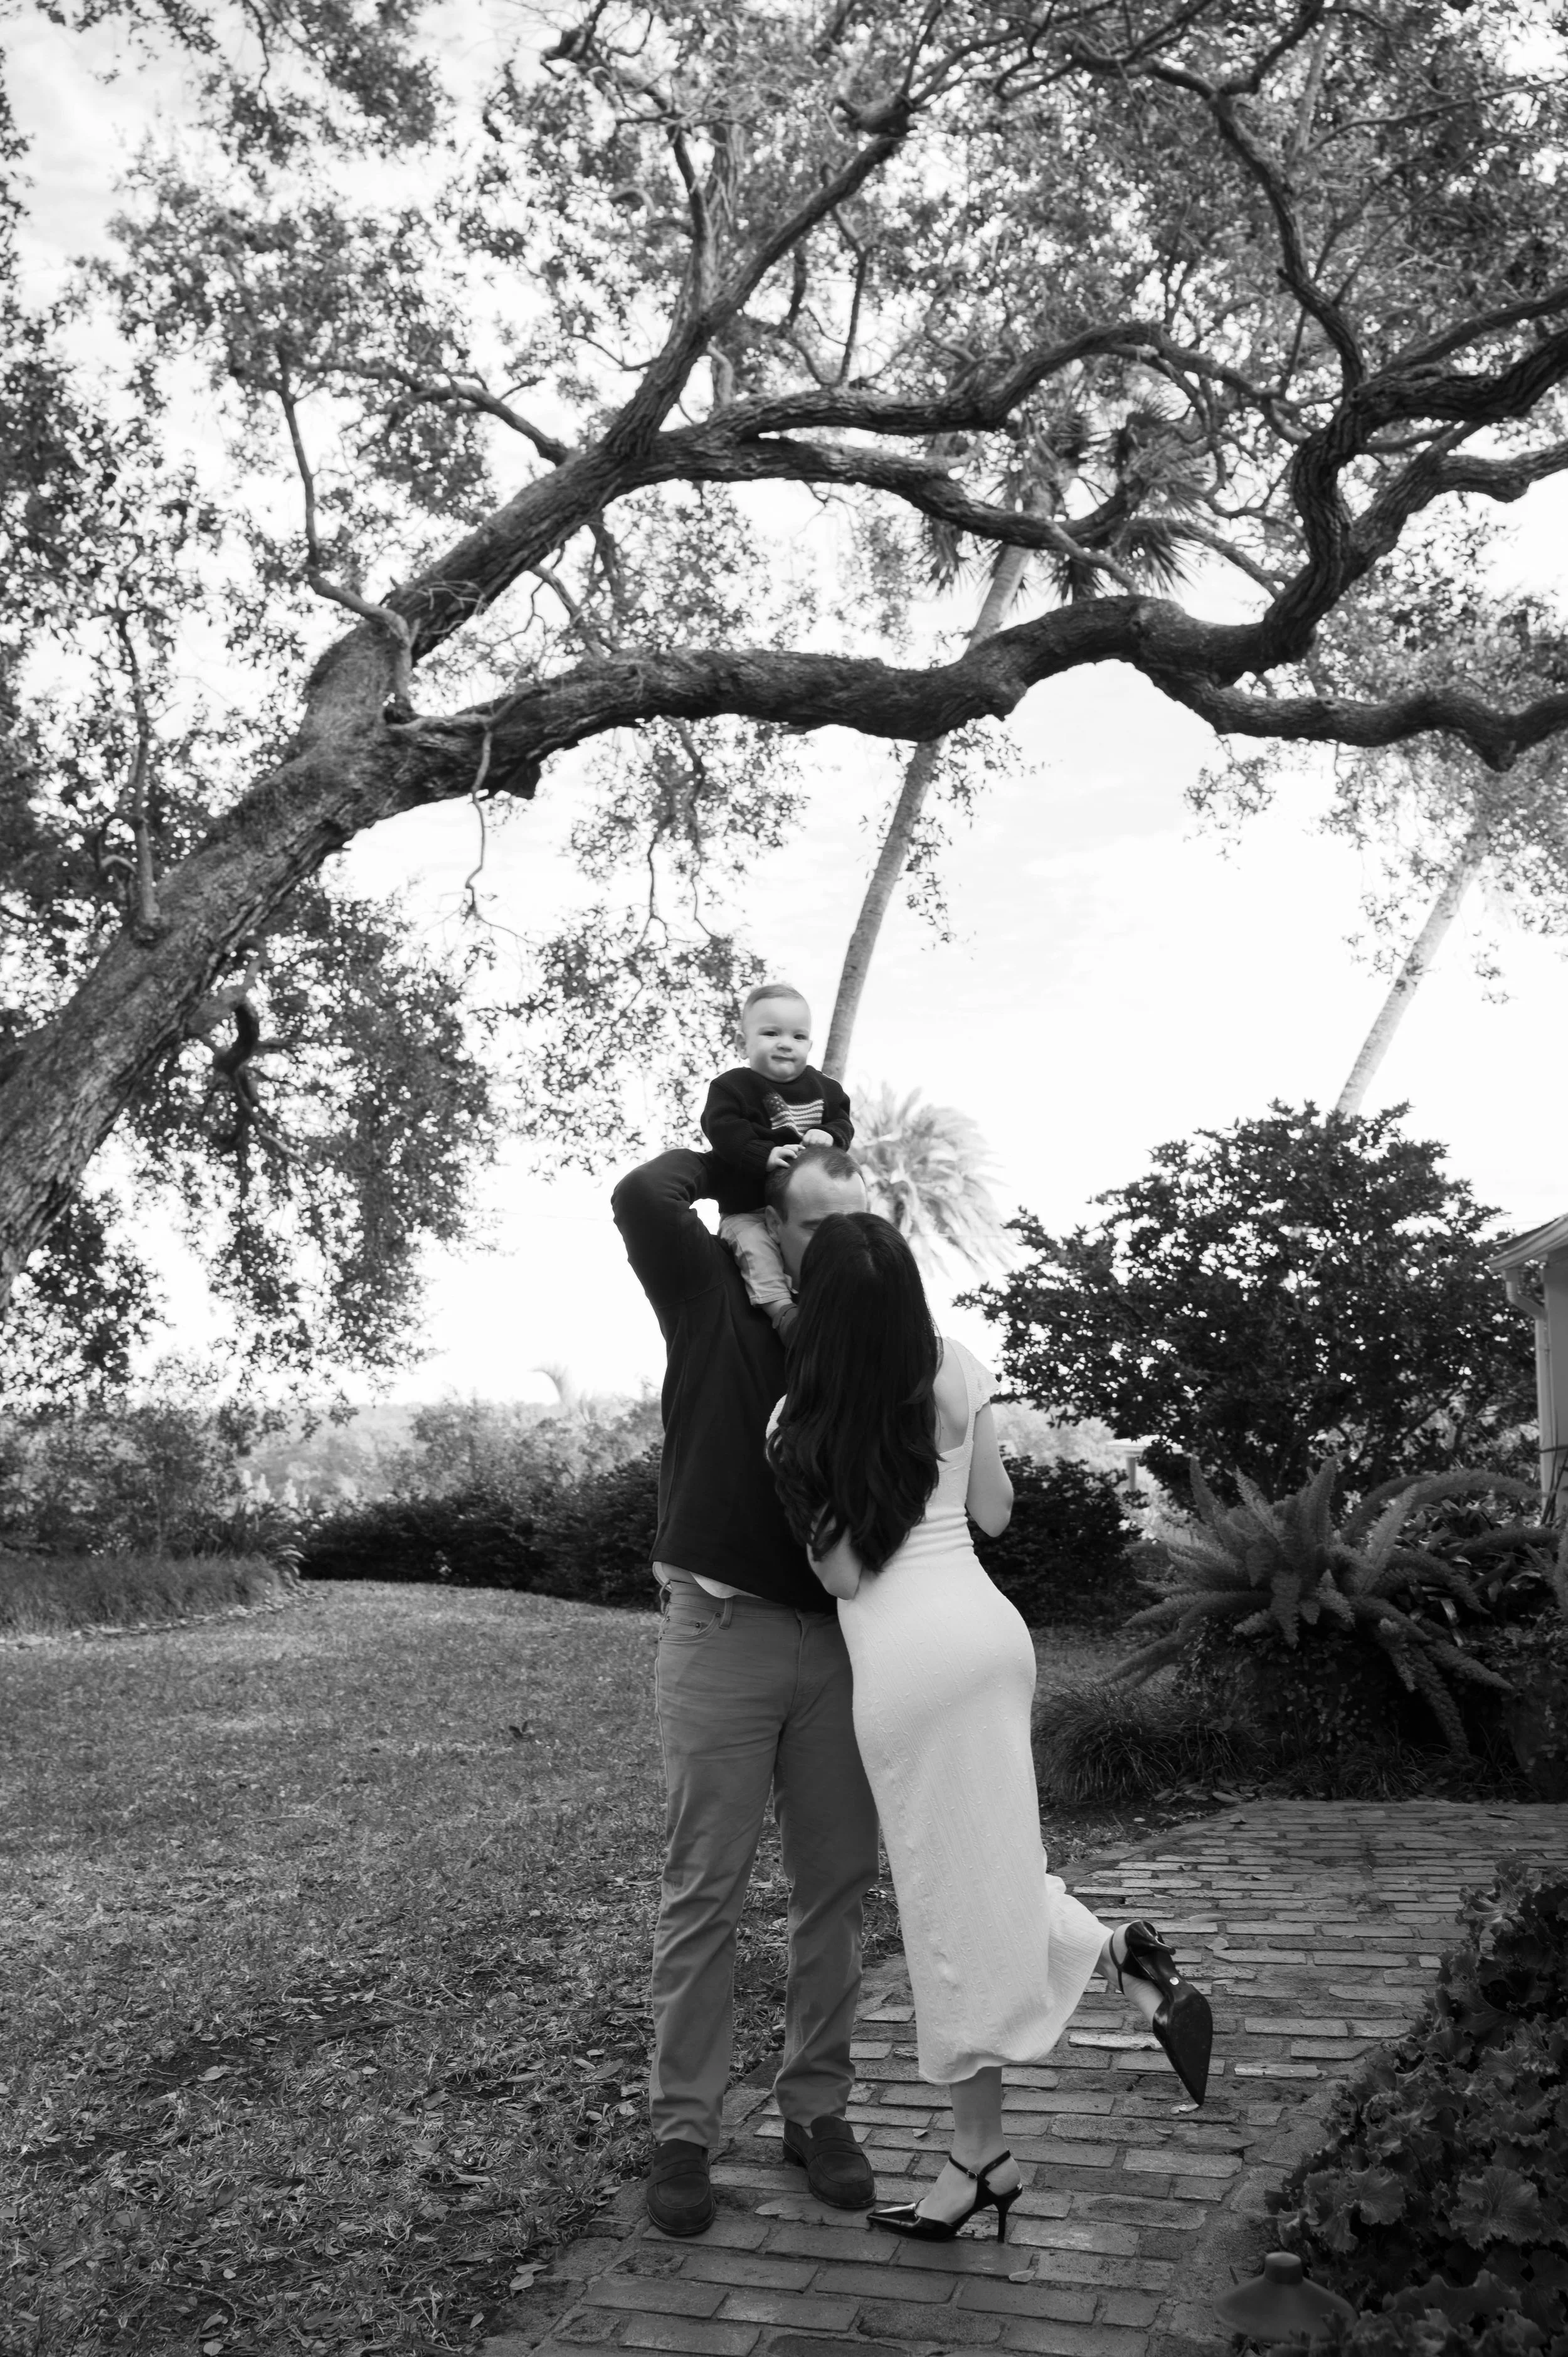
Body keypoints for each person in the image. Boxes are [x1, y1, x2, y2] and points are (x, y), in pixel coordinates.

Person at [768, 1214, 1214, 2243]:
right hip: (990, 1637)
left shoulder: (798, 1418)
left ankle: (976, 2156)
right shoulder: (959, 1369)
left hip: (909, 1666)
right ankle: (1117, 1964)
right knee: (995, 1871)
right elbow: (998, 1511)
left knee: (945, 1910)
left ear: (822, 1309)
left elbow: (840, 1573)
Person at [610, 1141, 880, 2239]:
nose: (841, 1238)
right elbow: (643, 1193)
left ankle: (816, 2110)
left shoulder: (867, 1330)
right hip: (721, 1632)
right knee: (704, 1890)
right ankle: (684, 2129)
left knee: (836, 1890)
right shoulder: (712, 1293)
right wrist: (751, 1150)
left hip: (848, 1643)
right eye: (814, 1219)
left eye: (854, 1218)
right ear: (771, 1224)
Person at [701, 982, 854, 1339]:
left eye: (798, 1037)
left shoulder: (826, 1089)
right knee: (757, 1251)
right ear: (743, 1043)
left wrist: (831, 1136)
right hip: (748, 1209)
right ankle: (783, 1313)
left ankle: (842, 1309)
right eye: (771, 1033)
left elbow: (843, 1121)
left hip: (800, 1215)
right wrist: (763, 1154)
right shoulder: (732, 1088)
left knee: (840, 1248)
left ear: (809, 1046)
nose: (786, 1043)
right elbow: (722, 1129)